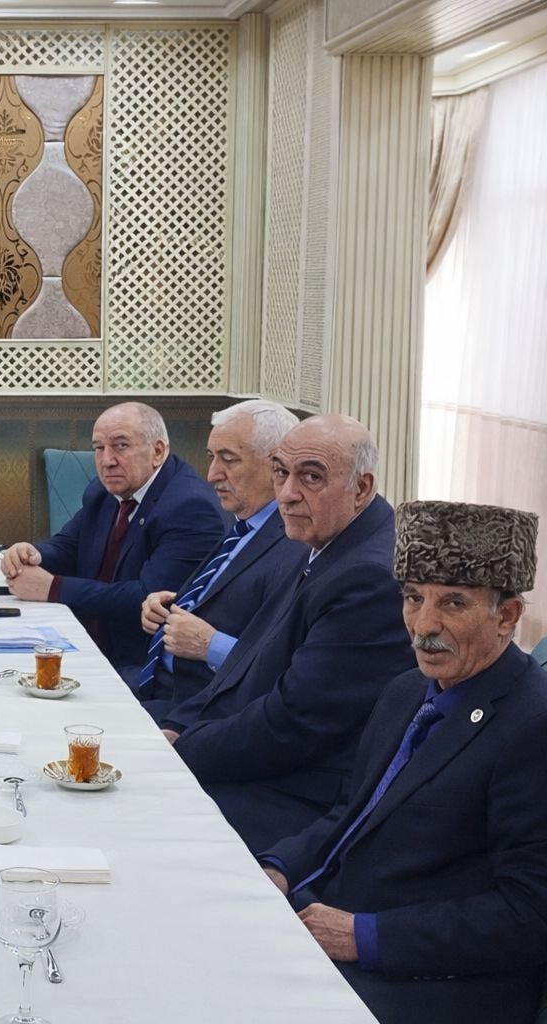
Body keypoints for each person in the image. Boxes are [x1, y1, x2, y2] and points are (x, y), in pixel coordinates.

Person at [262, 500, 547, 1024]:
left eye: (453, 603)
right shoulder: (406, 691)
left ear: (506, 616)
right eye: (413, 598)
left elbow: (529, 915)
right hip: (331, 919)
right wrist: (280, 867)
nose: (423, 625)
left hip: (434, 981)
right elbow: (353, 813)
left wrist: (365, 936)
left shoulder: (534, 724)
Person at [159, 414, 414, 850]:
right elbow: (248, 662)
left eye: (311, 477)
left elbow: (293, 725)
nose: (287, 494)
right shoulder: (323, 536)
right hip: (268, 763)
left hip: (304, 796)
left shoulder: (367, 578)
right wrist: (176, 726)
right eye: (281, 473)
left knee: (143, 818)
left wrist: (178, 752)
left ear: (362, 488)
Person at [0, 401, 224, 667]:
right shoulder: (105, 490)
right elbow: (70, 544)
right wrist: (32, 554)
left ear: (157, 451)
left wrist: (53, 588)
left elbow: (147, 598)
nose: (107, 461)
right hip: (88, 641)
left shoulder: (190, 507)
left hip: (143, 663)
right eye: (99, 448)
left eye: (121, 446)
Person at [134, 399, 305, 719]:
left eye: (229, 460)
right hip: (158, 683)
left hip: (199, 710)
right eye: (212, 457)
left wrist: (210, 645)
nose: (212, 475)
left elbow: (279, 664)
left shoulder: (295, 541)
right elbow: (230, 595)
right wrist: (172, 602)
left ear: (276, 465)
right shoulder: (244, 525)